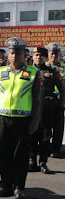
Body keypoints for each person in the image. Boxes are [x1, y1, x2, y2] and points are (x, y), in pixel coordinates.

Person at [0, 38, 43, 199]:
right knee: (3, 154)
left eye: (18, 53)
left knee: (20, 156)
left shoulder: (34, 74)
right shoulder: (0, 72)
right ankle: (5, 186)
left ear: (24, 54)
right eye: (12, 53)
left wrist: (35, 122)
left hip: (23, 120)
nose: (14, 56)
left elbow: (38, 100)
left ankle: (19, 187)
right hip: (3, 119)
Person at [29, 46, 63, 174]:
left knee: (45, 137)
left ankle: (43, 163)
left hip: (47, 109)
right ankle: (32, 162)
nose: (38, 57)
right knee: (31, 136)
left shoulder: (52, 71)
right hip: (31, 109)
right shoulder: (28, 71)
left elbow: (62, 88)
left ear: (45, 57)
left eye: (41, 55)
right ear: (33, 57)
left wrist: (60, 104)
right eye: (36, 55)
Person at [46, 43, 65, 157]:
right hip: (47, 101)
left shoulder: (63, 67)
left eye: (56, 54)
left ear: (60, 55)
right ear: (48, 54)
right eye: (52, 53)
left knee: (58, 127)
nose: (54, 56)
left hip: (59, 100)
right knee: (46, 127)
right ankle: (46, 148)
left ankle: (56, 149)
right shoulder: (44, 67)